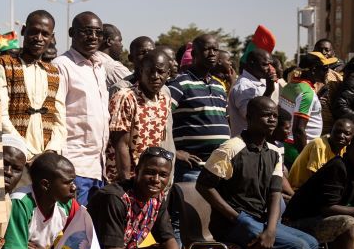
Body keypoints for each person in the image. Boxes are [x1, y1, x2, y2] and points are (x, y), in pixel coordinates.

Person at [198, 97, 318, 249]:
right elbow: (203, 185)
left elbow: (274, 194)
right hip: (233, 223)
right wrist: (236, 218)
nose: (272, 119)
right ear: (249, 117)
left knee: (311, 245)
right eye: (266, 115)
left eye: (274, 115)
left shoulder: (273, 151)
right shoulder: (231, 148)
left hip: (260, 221)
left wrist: (271, 229)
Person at [0, 10, 65, 157]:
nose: (39, 38)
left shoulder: (54, 72)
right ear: (23, 31)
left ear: (51, 37)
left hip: (45, 158)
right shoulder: (3, 64)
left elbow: (60, 120)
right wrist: (27, 153)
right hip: (12, 155)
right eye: (34, 32)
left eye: (45, 34)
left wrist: (51, 151)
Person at [54, 12, 111, 204]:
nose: (93, 37)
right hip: (75, 166)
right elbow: (56, 114)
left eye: (98, 33)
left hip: (98, 168)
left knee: (91, 230)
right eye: (87, 32)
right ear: (72, 33)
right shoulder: (62, 65)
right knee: (74, 230)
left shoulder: (99, 66)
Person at [167, 34, 230, 183]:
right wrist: (175, 152)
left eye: (215, 49)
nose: (212, 53)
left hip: (218, 168)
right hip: (191, 169)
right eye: (207, 49)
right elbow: (160, 119)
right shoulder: (179, 84)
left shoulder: (219, 86)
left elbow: (226, 122)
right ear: (194, 54)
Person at [107, 51, 172, 183]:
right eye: (150, 71)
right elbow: (121, 144)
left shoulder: (164, 99)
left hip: (150, 180)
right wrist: (126, 183)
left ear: (168, 74)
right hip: (126, 179)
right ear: (141, 71)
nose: (155, 76)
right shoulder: (125, 97)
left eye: (161, 72)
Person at [279, 52, 336, 166]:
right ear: (314, 69)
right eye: (325, 69)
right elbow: (299, 130)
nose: (328, 72)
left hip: (288, 146)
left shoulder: (290, 85)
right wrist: (305, 158)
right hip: (298, 149)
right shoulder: (307, 93)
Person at [289, 117, 354, 189]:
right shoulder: (319, 145)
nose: (341, 136)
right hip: (299, 189)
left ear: (352, 137)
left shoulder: (345, 148)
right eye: (338, 131)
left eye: (347, 134)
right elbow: (316, 179)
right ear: (331, 131)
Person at [228, 48, 277, 137]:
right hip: (244, 144)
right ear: (252, 63)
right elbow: (250, 116)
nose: (270, 69)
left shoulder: (261, 81)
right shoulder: (244, 86)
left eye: (271, 64)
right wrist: (269, 91)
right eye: (265, 64)